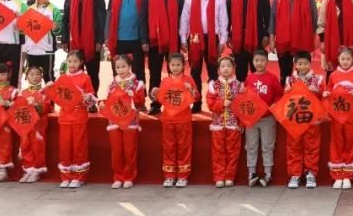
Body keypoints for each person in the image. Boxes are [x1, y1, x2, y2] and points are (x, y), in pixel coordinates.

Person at [180, 0, 228, 111]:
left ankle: (215, 102)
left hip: (212, 39)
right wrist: (183, 39)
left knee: (213, 72)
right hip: (194, 39)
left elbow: (223, 20)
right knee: (195, 72)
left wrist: (222, 41)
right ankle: (196, 102)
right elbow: (184, 19)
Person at [153, 53, 198, 187]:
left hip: (183, 119)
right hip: (168, 119)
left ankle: (183, 176)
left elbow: (196, 97)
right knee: (169, 147)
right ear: (168, 66)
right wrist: (154, 93)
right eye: (173, 65)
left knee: (184, 147)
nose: (175, 67)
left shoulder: (188, 80)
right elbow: (160, 99)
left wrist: (191, 90)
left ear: (183, 66)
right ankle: (169, 175)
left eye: (178, 65)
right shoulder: (165, 81)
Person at [101, 54, 145, 189]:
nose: (120, 70)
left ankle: (129, 176)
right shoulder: (112, 85)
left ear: (130, 67)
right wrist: (101, 103)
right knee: (117, 151)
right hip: (114, 121)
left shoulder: (137, 84)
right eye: (118, 67)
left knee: (129, 151)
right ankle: (118, 177)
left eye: (123, 66)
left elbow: (141, 103)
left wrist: (135, 96)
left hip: (130, 121)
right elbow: (108, 101)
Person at [62, 0, 107, 96]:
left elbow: (102, 20)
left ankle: (92, 99)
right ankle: (77, 99)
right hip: (74, 43)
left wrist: (99, 40)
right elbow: (65, 20)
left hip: (92, 43)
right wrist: (64, 39)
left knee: (93, 74)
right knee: (75, 73)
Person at [270, 0, 318, 85]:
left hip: (302, 39)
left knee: (303, 73)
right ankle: (285, 94)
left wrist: (312, 39)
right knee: (285, 74)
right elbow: (272, 19)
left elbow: (314, 19)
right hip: (284, 41)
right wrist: (271, 40)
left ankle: (303, 94)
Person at [55, 50, 96, 188]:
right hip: (65, 116)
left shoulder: (85, 78)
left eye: (75, 61)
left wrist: (88, 97)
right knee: (65, 146)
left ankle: (79, 176)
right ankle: (66, 176)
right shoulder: (61, 78)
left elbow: (91, 98)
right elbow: (57, 96)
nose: (72, 64)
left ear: (81, 62)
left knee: (79, 145)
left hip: (79, 116)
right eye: (70, 61)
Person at [325, 46, 353, 189]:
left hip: (352, 115)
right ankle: (337, 174)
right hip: (337, 114)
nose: (345, 61)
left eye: (348, 59)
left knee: (351, 141)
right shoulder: (333, 75)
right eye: (343, 59)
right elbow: (329, 89)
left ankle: (348, 174)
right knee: (337, 141)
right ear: (338, 59)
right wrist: (327, 93)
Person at [226, 0, 271, 82]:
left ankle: (257, 93)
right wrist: (227, 34)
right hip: (238, 36)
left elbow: (267, 14)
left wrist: (267, 34)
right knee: (240, 71)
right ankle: (242, 93)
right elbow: (227, 15)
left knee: (257, 69)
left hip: (257, 35)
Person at [148, 0, 185, 111]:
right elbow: (143, 19)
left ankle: (175, 103)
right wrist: (145, 40)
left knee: (175, 72)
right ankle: (155, 104)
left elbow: (183, 19)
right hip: (155, 41)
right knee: (155, 72)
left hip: (173, 40)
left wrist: (183, 38)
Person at [105, 0, 149, 88]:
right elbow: (109, 15)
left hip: (137, 39)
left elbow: (147, 18)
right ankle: (119, 95)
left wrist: (146, 39)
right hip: (118, 39)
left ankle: (139, 96)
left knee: (138, 70)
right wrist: (107, 36)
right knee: (118, 70)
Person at [285, 50, 324, 189]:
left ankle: (310, 173)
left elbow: (323, 97)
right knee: (294, 147)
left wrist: (317, 91)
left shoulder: (317, 79)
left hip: (311, 118)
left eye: (305, 63)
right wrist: (287, 92)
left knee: (311, 146)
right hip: (294, 119)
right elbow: (285, 99)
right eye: (300, 64)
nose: (302, 66)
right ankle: (295, 174)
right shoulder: (290, 80)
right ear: (295, 64)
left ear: (310, 64)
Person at [244, 51, 282, 187]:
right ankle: (252, 173)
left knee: (267, 146)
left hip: (268, 118)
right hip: (252, 118)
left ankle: (268, 173)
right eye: (256, 60)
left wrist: (274, 105)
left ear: (267, 62)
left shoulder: (272, 78)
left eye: (262, 60)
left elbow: (279, 94)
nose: (259, 63)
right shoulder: (249, 78)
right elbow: (244, 96)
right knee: (251, 145)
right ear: (253, 62)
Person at [207, 54, 245, 187]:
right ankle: (219, 177)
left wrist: (241, 122)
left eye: (229, 66)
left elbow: (243, 106)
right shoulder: (214, 85)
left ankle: (229, 176)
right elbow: (210, 104)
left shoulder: (239, 85)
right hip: (218, 124)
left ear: (233, 68)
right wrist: (222, 103)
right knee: (218, 151)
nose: (226, 68)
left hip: (233, 124)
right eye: (223, 66)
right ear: (218, 70)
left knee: (233, 151)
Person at [317, 0, 353, 76]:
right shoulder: (326, 1)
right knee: (331, 71)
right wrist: (322, 41)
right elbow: (321, 22)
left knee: (348, 69)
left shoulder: (352, 1)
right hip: (331, 41)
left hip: (348, 39)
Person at [17, 64, 50, 183]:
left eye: (37, 74)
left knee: (37, 146)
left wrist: (36, 105)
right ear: (26, 77)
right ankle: (27, 169)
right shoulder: (22, 93)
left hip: (38, 125)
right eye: (32, 75)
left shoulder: (45, 92)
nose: (35, 77)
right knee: (25, 145)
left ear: (41, 76)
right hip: (26, 124)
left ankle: (36, 169)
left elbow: (47, 107)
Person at [23, 0, 61, 83]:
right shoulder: (29, 9)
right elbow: (25, 28)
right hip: (31, 49)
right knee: (32, 76)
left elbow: (58, 30)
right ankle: (34, 93)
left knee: (48, 76)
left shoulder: (54, 10)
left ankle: (51, 94)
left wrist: (56, 27)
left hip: (47, 50)